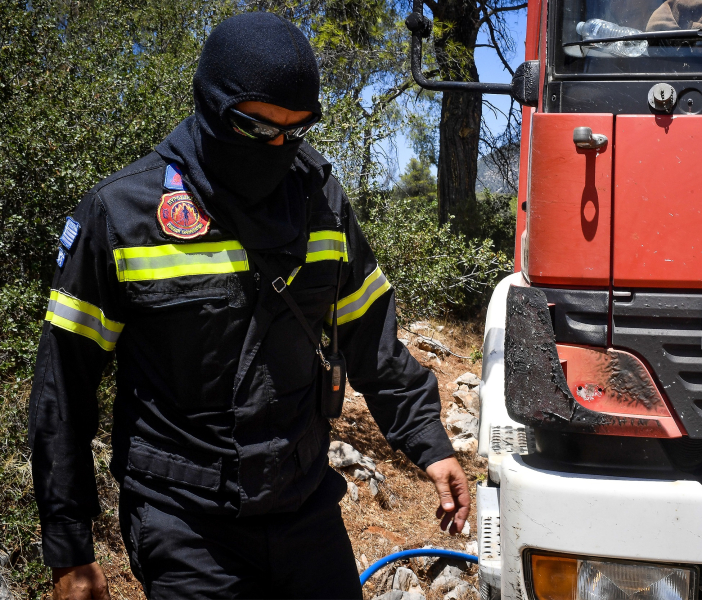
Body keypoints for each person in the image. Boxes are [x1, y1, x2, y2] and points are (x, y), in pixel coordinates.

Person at [29, 12, 469, 600]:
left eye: (296, 131)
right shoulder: (123, 216)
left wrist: (428, 442)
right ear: (213, 109)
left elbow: (371, 336)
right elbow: (64, 390)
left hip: (304, 505)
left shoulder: (321, 203)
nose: (278, 148)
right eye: (259, 129)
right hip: (184, 522)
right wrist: (70, 549)